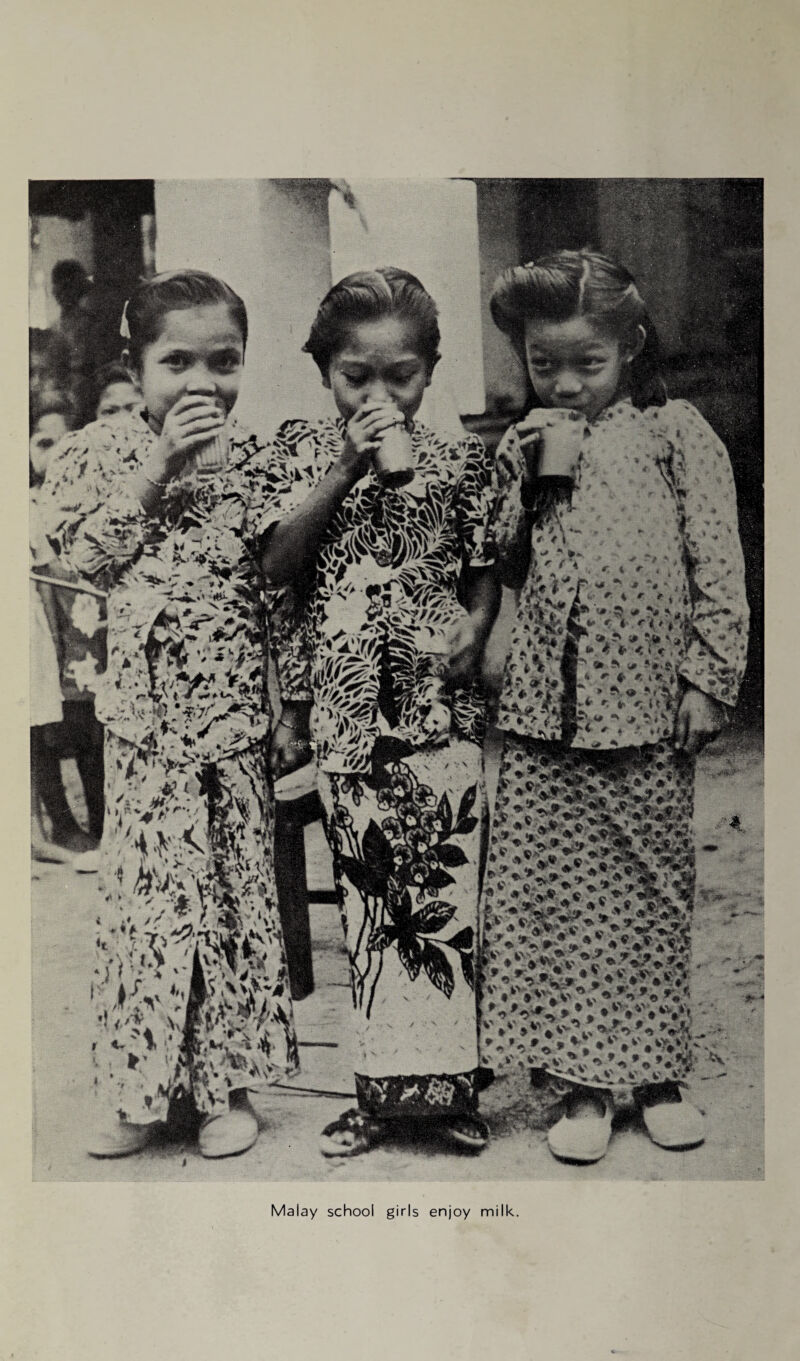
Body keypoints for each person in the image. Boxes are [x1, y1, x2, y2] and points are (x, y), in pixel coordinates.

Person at [477, 249, 750, 1164]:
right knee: (554, 898)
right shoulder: (527, 444)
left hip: (644, 706)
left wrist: (709, 679)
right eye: (543, 363)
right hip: (543, 714)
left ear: (629, 348)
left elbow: (720, 566)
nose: (564, 382)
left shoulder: (676, 434)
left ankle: (657, 1074)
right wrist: (512, 484)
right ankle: (580, 1085)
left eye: (585, 364)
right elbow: (509, 568)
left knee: (650, 891)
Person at [43, 269, 298, 1159]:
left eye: (222, 362)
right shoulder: (98, 451)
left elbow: (278, 589)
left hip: (231, 723)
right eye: (176, 361)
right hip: (144, 727)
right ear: (136, 365)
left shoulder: (257, 460)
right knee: (147, 908)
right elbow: (81, 562)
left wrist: (288, 704)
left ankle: (228, 1087)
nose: (202, 383)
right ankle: (139, 1095)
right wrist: (158, 469)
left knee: (231, 904)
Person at [262, 267, 500, 1157]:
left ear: (431, 372)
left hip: (438, 716)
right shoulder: (294, 452)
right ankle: (378, 1098)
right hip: (351, 721)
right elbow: (277, 566)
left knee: (444, 904)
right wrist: (347, 463)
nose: (378, 393)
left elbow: (481, 575)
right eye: (355, 375)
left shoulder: (464, 461)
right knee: (371, 910)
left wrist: (474, 630)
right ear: (325, 371)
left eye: (399, 375)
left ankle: (445, 1097)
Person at [30, 396, 101, 861]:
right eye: (43, 442)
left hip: (88, 627)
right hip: (45, 626)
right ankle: (59, 822)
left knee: (89, 725)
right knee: (41, 724)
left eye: (64, 441)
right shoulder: (25, 503)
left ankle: (102, 822)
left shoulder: (91, 498)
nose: (54, 452)